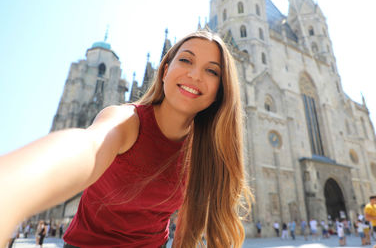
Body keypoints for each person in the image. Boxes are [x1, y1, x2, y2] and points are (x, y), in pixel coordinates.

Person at [0, 31, 253, 248]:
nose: (195, 75)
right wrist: (12, 190)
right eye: (186, 60)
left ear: (220, 92)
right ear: (164, 71)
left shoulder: (203, 148)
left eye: (211, 71)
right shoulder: (126, 121)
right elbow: (88, 147)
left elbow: (187, 219)